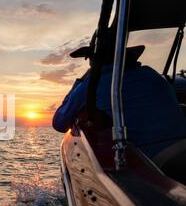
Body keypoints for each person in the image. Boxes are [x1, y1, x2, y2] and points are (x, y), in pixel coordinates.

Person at [52, 36, 186, 159]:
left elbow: (59, 122)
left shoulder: (94, 84)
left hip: (155, 165)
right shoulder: (152, 74)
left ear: (94, 60)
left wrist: (83, 78)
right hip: (182, 148)